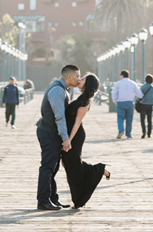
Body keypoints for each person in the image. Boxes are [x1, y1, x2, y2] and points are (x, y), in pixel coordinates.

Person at [62, 73, 110, 208]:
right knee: (69, 164)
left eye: (82, 79)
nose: (79, 80)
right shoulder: (80, 98)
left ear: (87, 84)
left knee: (73, 165)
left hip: (75, 136)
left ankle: (99, 171)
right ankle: (99, 172)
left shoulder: (85, 102)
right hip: (71, 135)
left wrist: (68, 140)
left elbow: (77, 123)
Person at [36, 64, 80, 211]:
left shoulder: (62, 89)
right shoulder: (57, 91)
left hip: (51, 132)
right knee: (47, 167)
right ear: (69, 77)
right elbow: (59, 117)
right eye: (77, 76)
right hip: (49, 132)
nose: (78, 79)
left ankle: (52, 199)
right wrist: (65, 138)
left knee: (53, 168)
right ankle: (43, 201)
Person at [111, 69, 141, 140]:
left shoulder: (118, 83)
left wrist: (115, 101)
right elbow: (139, 94)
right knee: (129, 119)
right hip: (130, 102)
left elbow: (114, 93)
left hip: (121, 102)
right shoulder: (133, 83)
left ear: (122, 76)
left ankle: (121, 131)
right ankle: (128, 134)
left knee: (120, 118)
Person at [138, 74, 153, 139]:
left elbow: (139, 95)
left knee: (142, 119)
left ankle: (144, 132)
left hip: (143, 104)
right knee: (149, 120)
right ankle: (149, 134)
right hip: (150, 105)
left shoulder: (142, 87)